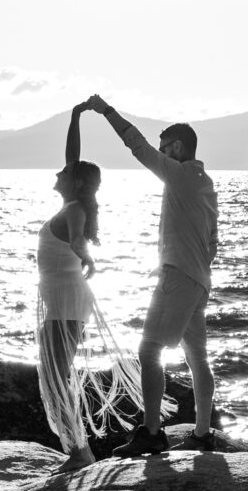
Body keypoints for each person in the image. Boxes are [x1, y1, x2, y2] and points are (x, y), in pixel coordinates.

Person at [82, 94, 218, 455]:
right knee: (197, 358)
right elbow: (213, 243)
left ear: (176, 147)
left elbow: (137, 147)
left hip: (178, 277)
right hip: (199, 280)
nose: (161, 153)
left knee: (148, 349)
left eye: (165, 148)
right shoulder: (206, 184)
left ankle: (152, 433)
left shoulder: (181, 174)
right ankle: (203, 434)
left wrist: (106, 111)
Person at [35, 107, 142, 465]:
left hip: (67, 300)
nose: (57, 171)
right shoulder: (70, 201)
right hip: (62, 299)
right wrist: (76, 117)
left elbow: (79, 239)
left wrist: (88, 257)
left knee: (56, 376)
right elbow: (72, 159)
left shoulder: (75, 210)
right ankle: (76, 449)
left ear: (76, 183)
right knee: (54, 375)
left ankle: (79, 452)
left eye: (64, 172)